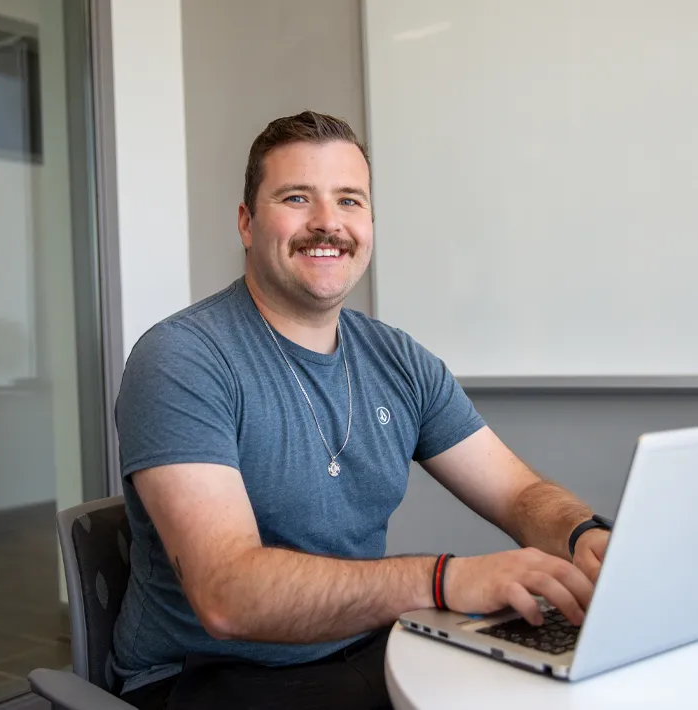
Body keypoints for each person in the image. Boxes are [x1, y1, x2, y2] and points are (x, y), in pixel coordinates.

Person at [112, 111, 610, 710]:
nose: (328, 223)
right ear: (247, 223)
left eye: (349, 200)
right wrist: (445, 580)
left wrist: (582, 534)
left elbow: (518, 495)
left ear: (369, 223)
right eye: (297, 197)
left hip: (367, 650)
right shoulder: (181, 358)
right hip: (206, 677)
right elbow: (227, 596)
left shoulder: (398, 359)